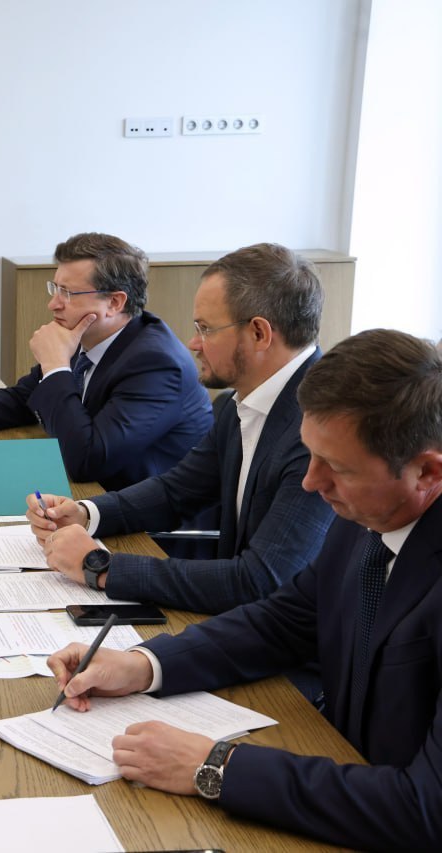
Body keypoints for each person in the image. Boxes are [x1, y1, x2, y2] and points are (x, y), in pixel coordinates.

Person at [46, 329, 442, 850]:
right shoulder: (367, 514)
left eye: (337, 468)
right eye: (310, 454)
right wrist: (143, 665)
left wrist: (216, 766)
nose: (311, 482)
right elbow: (284, 621)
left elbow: (423, 809)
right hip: (339, 774)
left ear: (426, 472)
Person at [29, 243, 334, 614]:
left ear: (259, 333)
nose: (193, 343)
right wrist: (87, 513)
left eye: (206, 329)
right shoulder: (244, 400)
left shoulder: (318, 431)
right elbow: (177, 491)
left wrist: (101, 566)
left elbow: (258, 581)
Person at [0, 233, 211, 490]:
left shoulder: (156, 364)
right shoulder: (86, 334)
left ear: (114, 302)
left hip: (141, 526)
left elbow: (88, 461)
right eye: (55, 289)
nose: (53, 304)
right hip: (85, 495)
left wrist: (57, 366)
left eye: (68, 293)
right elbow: (24, 398)